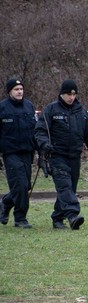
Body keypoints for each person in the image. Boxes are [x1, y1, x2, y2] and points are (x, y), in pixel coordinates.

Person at [34, 80, 88, 230]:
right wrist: (45, 144)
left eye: (73, 94)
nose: (71, 97)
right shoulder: (51, 110)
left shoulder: (81, 112)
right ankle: (72, 215)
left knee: (70, 188)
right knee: (64, 186)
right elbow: (40, 131)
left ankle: (57, 218)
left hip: (74, 155)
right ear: (61, 94)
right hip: (57, 155)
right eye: (68, 94)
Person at [0, 77, 37, 228]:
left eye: (21, 89)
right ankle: (20, 218)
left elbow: (36, 130)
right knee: (20, 185)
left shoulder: (29, 106)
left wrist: (40, 151)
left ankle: (6, 203)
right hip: (10, 153)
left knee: (25, 185)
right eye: (16, 89)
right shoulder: (2, 108)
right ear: (9, 91)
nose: (19, 91)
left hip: (27, 152)